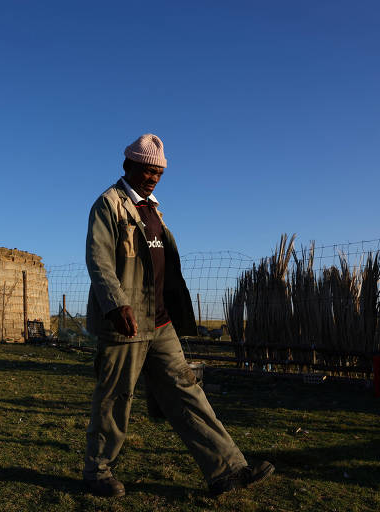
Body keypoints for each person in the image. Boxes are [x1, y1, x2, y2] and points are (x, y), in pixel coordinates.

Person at [82, 133, 274, 498]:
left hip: (160, 321)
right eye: (147, 170)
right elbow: (98, 258)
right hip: (126, 322)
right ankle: (97, 472)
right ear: (128, 166)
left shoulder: (154, 210)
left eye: (158, 173)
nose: (153, 177)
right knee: (115, 397)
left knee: (187, 391)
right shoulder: (109, 204)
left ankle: (227, 469)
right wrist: (115, 303)